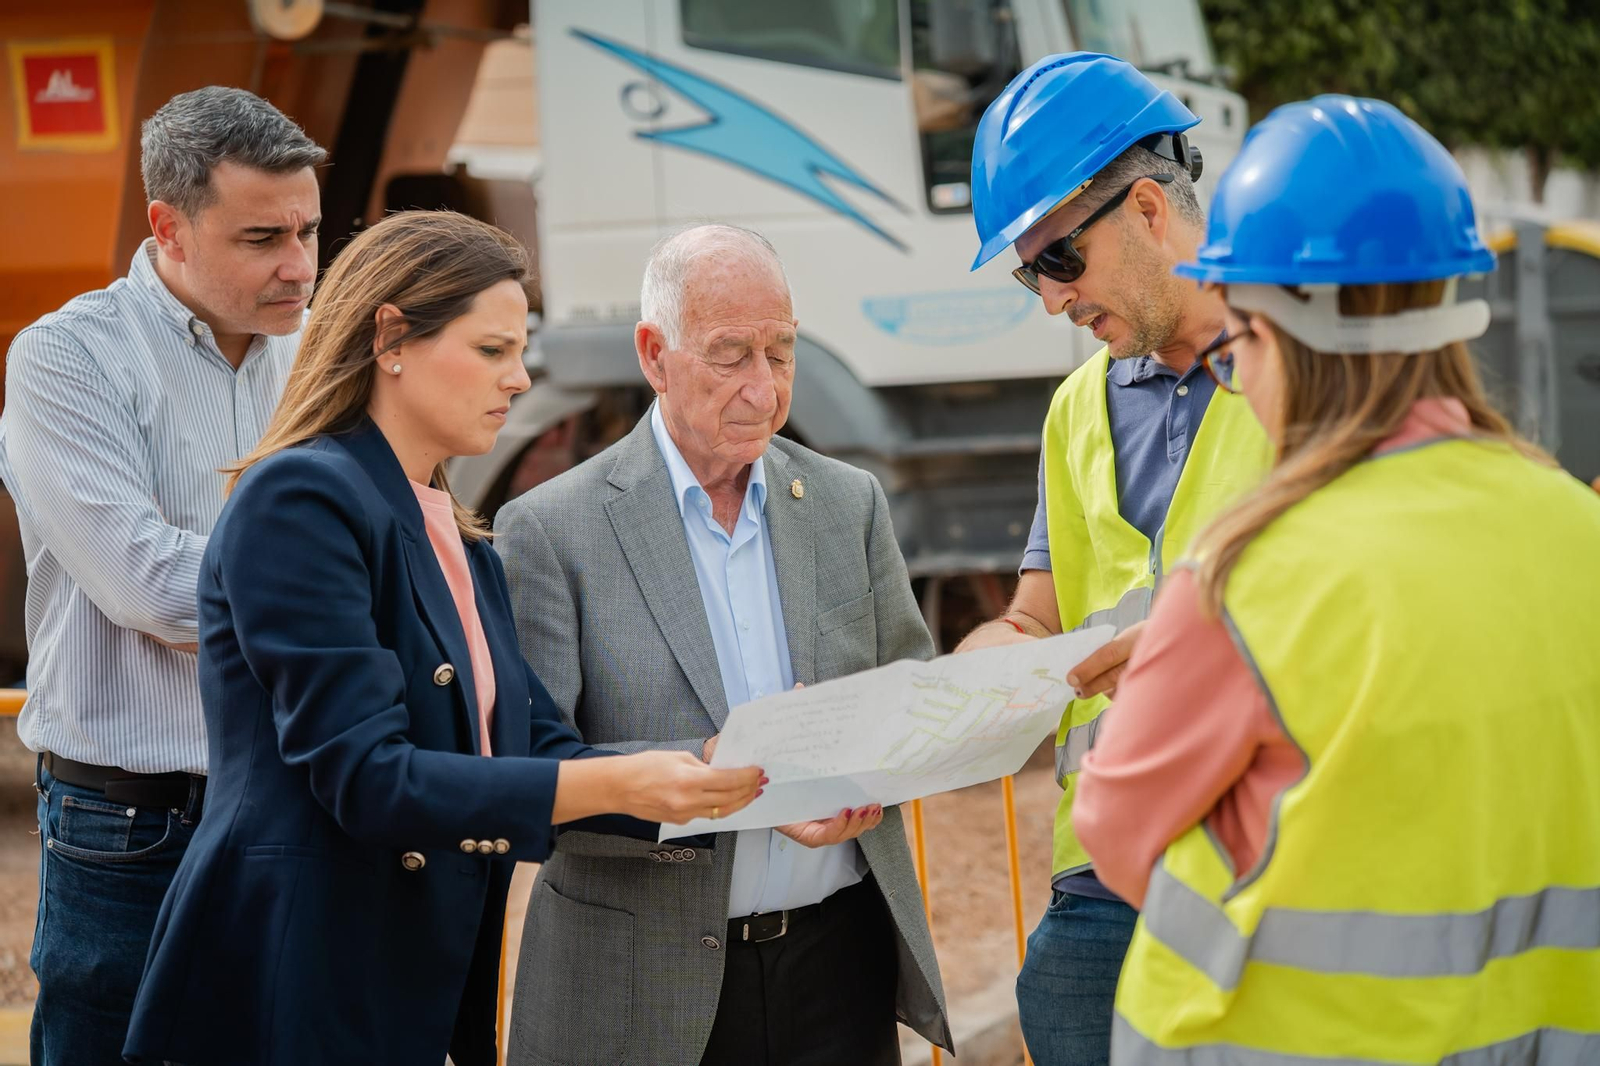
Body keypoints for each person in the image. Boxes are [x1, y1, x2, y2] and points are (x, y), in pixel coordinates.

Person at [121, 211, 763, 1066]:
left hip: (407, 995)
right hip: (291, 990)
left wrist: (713, 768)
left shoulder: (464, 545)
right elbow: (368, 778)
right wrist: (631, 779)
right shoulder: (301, 501)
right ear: (391, 335)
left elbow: (537, 748)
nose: (522, 379)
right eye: (493, 350)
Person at [1075, 95, 1600, 1065]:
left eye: (1235, 349)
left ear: (1270, 332)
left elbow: (1116, 835)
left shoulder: (1245, 576)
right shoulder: (1578, 524)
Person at [496, 223, 950, 1066]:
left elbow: (909, 688)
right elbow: (530, 767)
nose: (763, 387)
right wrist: (705, 772)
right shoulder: (552, 529)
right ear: (653, 354)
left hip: (838, 964)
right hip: (641, 986)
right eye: (730, 353)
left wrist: (872, 774)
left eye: (780, 352)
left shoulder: (848, 502)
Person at [953, 53, 1273, 1065]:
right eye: (1027, 272)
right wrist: (985, 657)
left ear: (1145, 207)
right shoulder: (1074, 408)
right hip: (1096, 886)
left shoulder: (1297, 378)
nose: (1049, 301)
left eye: (1058, 262)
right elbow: (1040, 615)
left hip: (1262, 872)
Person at [0, 85, 323, 1065]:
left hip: (296, 800)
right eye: (263, 237)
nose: (300, 265)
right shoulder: (68, 357)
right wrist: (332, 594)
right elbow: (147, 587)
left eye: (310, 230)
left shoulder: (320, 353)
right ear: (167, 228)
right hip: (128, 821)